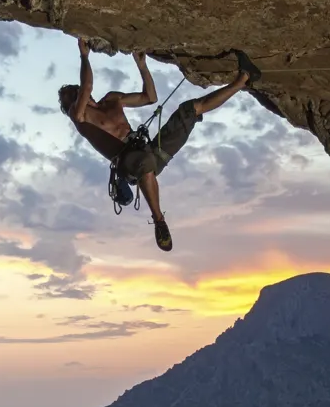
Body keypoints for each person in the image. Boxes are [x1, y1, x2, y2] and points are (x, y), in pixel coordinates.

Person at [59, 40, 261, 251]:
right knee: (145, 165)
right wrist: (84, 56)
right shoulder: (81, 118)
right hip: (129, 162)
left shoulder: (112, 99)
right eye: (69, 102)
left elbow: (150, 97)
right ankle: (159, 221)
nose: (73, 102)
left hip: (149, 151)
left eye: (72, 96)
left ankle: (244, 78)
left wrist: (142, 66)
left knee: (190, 109)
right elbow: (88, 85)